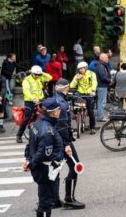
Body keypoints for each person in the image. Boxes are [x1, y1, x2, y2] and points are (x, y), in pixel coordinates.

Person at [22, 96, 64, 217]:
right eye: (59, 109)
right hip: (45, 170)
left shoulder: (37, 124)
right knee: (46, 202)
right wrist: (30, 164)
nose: (60, 111)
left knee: (44, 198)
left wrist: (28, 160)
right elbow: (43, 152)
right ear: (54, 112)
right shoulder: (48, 130)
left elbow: (30, 145)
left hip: (41, 168)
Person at [52, 79, 85, 209]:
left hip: (53, 140)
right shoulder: (62, 104)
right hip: (62, 140)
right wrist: (66, 144)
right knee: (75, 166)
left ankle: (54, 200)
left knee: (55, 169)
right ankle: (69, 199)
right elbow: (62, 126)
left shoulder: (53, 99)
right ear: (66, 88)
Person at [17, 66, 53, 143]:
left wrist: (41, 73)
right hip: (30, 101)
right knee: (27, 118)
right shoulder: (27, 80)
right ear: (32, 73)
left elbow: (50, 77)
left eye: (38, 74)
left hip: (40, 99)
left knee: (47, 114)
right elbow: (26, 91)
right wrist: (33, 98)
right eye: (35, 74)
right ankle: (19, 135)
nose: (37, 76)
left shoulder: (40, 77)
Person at [68, 62, 97, 135]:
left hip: (89, 93)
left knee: (90, 111)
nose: (80, 70)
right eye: (79, 69)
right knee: (74, 98)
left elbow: (94, 82)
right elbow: (71, 85)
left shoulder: (91, 74)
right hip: (80, 93)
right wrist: (76, 80)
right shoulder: (77, 75)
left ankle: (92, 127)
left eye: (82, 68)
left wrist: (93, 91)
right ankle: (75, 114)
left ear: (86, 67)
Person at [92, 54, 112, 123]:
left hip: (102, 86)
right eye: (106, 57)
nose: (107, 58)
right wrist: (110, 81)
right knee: (101, 102)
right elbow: (103, 77)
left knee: (101, 102)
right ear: (102, 58)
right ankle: (100, 117)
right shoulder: (100, 66)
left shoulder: (101, 65)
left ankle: (101, 115)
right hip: (101, 86)